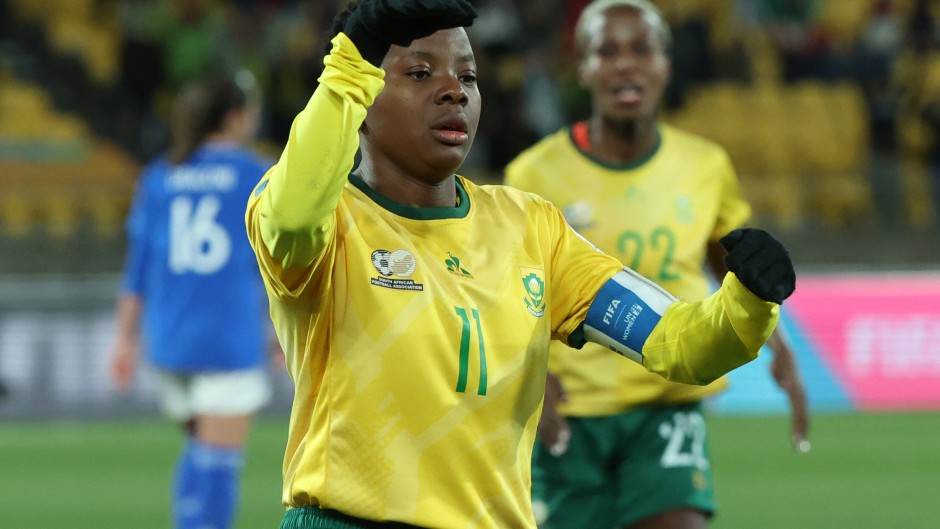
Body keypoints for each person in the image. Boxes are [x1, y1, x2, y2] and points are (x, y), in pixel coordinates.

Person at [245, 1, 796, 528]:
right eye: (419, 74)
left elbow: (677, 343)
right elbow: (292, 219)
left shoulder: (531, 228)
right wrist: (350, 61)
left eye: (468, 76)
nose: (452, 91)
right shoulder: (327, 221)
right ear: (362, 97)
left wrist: (747, 304)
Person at [504, 2, 810, 529]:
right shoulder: (534, 173)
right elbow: (511, 291)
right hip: (573, 413)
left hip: (667, 405)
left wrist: (780, 350)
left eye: (642, 50)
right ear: (583, 68)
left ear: (665, 64)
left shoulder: (706, 166)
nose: (626, 64)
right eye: (608, 51)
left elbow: (729, 263)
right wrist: (536, 381)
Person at [110, 72, 274, 529]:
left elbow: (138, 267)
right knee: (220, 465)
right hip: (227, 339)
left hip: (170, 340)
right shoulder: (255, 173)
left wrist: (123, 338)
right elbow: (282, 261)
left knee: (200, 450)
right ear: (237, 117)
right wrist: (282, 332)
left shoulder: (161, 175)